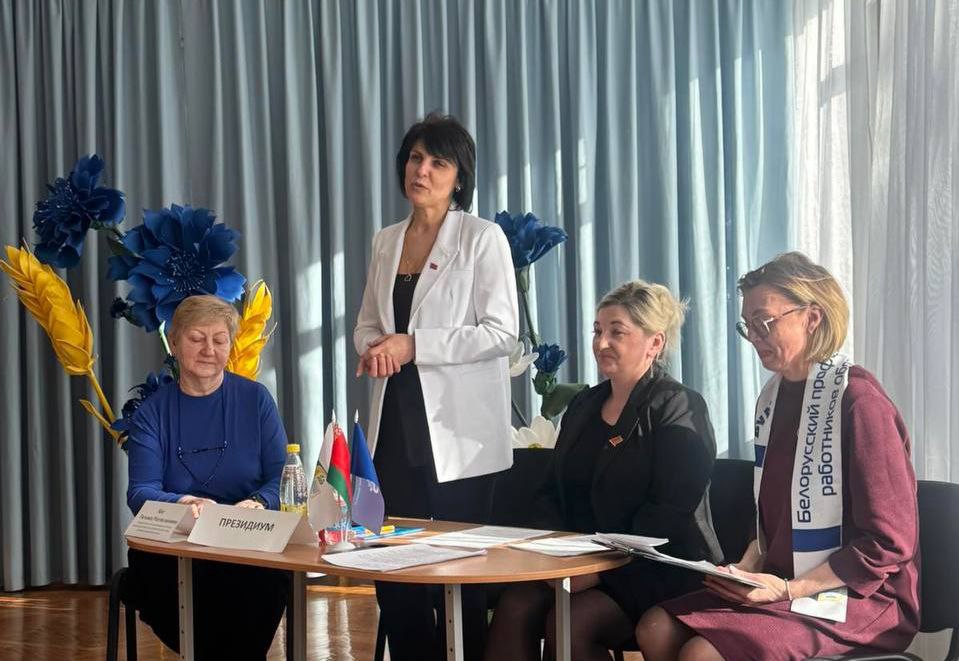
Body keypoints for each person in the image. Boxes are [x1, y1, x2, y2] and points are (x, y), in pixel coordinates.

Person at [636, 252, 920, 661]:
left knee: (702, 653)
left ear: (812, 317)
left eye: (764, 322)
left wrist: (789, 589)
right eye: (747, 325)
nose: (754, 337)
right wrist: (746, 568)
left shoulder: (859, 402)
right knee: (655, 627)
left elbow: (888, 544)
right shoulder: (772, 398)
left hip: (862, 597)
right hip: (784, 582)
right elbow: (770, 522)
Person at [353, 113, 519, 660]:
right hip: (393, 429)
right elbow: (366, 325)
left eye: (437, 162)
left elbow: (501, 333)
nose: (420, 170)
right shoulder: (385, 240)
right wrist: (376, 347)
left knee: (458, 577)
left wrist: (413, 346)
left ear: (459, 177)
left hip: (459, 435)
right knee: (391, 571)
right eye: (414, 158)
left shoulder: (482, 238)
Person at [484, 280, 722, 661]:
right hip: (581, 562)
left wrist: (598, 572)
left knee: (572, 622)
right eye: (597, 331)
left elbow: (670, 512)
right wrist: (548, 554)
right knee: (515, 606)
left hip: (656, 567)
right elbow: (552, 492)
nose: (601, 343)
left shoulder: (678, 406)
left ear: (655, 343)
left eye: (616, 332)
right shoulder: (584, 405)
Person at [125, 295, 290, 660]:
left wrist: (258, 503)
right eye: (197, 338)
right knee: (176, 590)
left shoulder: (256, 400)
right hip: (175, 547)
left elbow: (281, 478)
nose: (209, 350)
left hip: (246, 544)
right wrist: (185, 502)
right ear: (174, 342)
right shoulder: (152, 413)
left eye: (219, 340)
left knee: (260, 585)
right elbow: (140, 492)